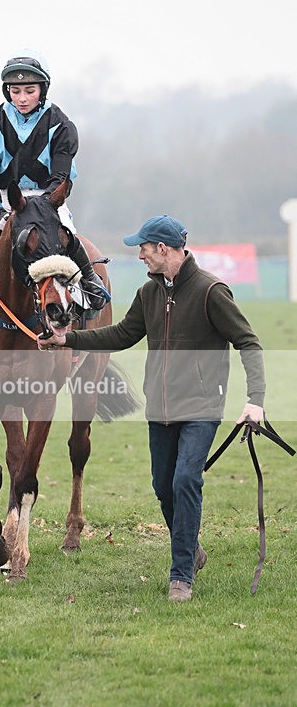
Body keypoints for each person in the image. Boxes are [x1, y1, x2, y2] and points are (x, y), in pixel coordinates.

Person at [37, 215, 266, 601]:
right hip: (159, 408)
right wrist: (67, 339)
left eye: (143, 247)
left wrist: (255, 401)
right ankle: (191, 550)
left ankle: (181, 576)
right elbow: (123, 334)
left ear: (163, 248)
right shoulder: (148, 293)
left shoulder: (212, 291)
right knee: (163, 486)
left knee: (185, 481)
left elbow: (249, 342)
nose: (139, 254)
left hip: (201, 407)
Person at [0, 48, 109, 320]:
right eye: (15, 90)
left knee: (67, 238)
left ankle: (90, 282)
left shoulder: (60, 124)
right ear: (7, 91)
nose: (22, 98)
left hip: (47, 198)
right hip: (6, 199)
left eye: (29, 90)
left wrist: (46, 205)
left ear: (43, 89)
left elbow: (61, 174)